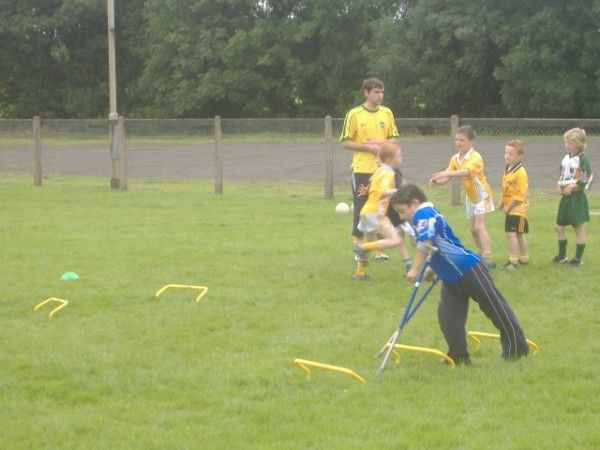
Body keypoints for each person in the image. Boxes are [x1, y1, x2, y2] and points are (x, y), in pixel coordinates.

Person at [390, 184, 529, 365]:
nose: (402, 217)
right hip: (451, 278)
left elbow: (426, 243)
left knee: (495, 308)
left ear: (414, 203)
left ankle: (517, 349)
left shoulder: (423, 214)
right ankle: (458, 356)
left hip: (469, 269)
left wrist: (416, 269)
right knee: (448, 317)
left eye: (402, 211)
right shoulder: (423, 217)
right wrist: (431, 269)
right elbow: (439, 246)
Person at [340, 77, 400, 262]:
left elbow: (394, 140)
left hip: (384, 171)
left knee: (384, 208)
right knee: (361, 208)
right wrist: (368, 148)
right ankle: (359, 247)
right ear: (366, 93)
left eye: (381, 92)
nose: (380, 95)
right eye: (376, 92)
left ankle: (379, 249)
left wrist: (379, 144)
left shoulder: (387, 113)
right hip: (362, 170)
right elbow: (345, 142)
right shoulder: (354, 114)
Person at [429, 125, 496, 269]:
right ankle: (480, 254)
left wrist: (447, 173)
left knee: (479, 226)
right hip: (470, 198)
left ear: (471, 141)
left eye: (462, 140)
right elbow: (448, 176)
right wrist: (437, 181)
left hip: (482, 196)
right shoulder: (455, 158)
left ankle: (488, 259)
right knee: (472, 229)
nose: (458, 142)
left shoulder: (475, 157)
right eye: (456, 139)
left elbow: (466, 172)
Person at [352, 143, 412, 280]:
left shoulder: (378, 171)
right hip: (376, 213)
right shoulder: (388, 173)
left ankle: (360, 274)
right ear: (389, 159)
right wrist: (399, 190)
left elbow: (372, 187)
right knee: (396, 240)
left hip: (366, 212)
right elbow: (383, 191)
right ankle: (363, 247)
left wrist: (366, 191)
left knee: (369, 243)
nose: (401, 158)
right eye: (398, 156)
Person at [553, 128, 592, 266]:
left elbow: (585, 178)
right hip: (566, 198)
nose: (567, 145)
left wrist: (572, 187)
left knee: (578, 228)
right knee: (559, 227)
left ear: (579, 144)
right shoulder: (566, 158)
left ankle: (577, 259)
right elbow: (563, 174)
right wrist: (560, 187)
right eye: (566, 142)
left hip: (577, 199)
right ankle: (562, 256)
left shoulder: (583, 159)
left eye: (570, 143)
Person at [498, 139, 529, 270]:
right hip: (511, 208)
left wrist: (508, 206)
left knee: (511, 234)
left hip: (518, 210)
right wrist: (502, 201)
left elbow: (520, 196)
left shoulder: (521, 172)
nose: (507, 156)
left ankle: (513, 262)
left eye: (511, 154)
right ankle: (524, 258)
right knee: (518, 234)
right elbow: (506, 188)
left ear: (520, 156)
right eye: (506, 153)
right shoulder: (508, 169)